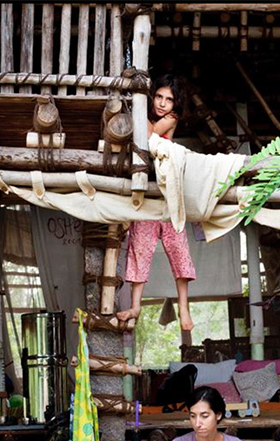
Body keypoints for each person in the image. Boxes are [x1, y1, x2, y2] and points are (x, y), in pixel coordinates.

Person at [116, 74, 196, 331]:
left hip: (168, 193)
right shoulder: (149, 116)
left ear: (176, 105)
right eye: (159, 97)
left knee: (178, 249)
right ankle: (136, 306)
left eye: (169, 100)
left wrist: (138, 117)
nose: (162, 103)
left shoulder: (170, 119)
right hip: (147, 193)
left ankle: (184, 307)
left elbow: (149, 133)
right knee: (139, 247)